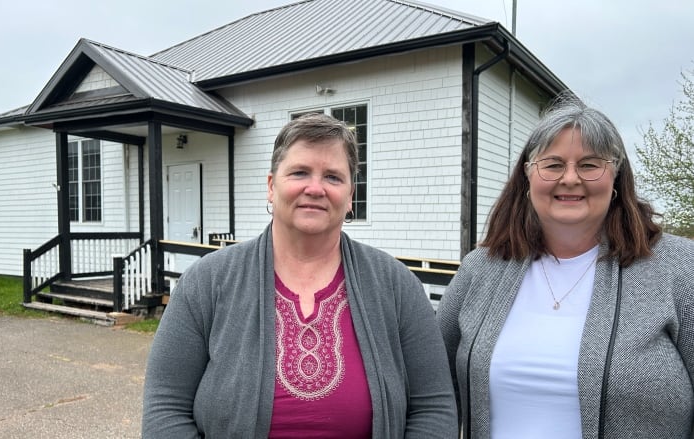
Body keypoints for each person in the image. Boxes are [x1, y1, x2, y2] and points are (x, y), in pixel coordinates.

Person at [143, 113, 458, 438]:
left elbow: (433, 408)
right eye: (299, 172)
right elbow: (165, 408)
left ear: (350, 196)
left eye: (333, 177)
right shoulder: (206, 283)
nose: (315, 188)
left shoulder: (397, 286)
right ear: (271, 186)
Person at [436, 94, 694, 439]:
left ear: (615, 179)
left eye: (589, 165)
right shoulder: (481, 269)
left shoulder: (679, 268)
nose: (570, 178)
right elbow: (433, 387)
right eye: (553, 164)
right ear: (528, 178)